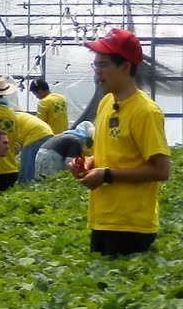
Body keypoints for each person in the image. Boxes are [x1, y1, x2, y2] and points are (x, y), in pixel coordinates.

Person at [69, 29, 170, 257]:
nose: (97, 73)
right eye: (95, 66)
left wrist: (106, 175)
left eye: (103, 65)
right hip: (102, 220)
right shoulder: (106, 103)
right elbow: (108, 154)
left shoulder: (145, 112)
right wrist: (87, 164)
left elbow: (161, 170)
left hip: (131, 226)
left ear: (125, 67)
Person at [10, 109, 55, 184]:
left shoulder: (10, 118)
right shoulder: (22, 117)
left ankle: (24, 189)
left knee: (27, 172)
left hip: (35, 135)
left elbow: (12, 148)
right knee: (41, 167)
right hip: (48, 133)